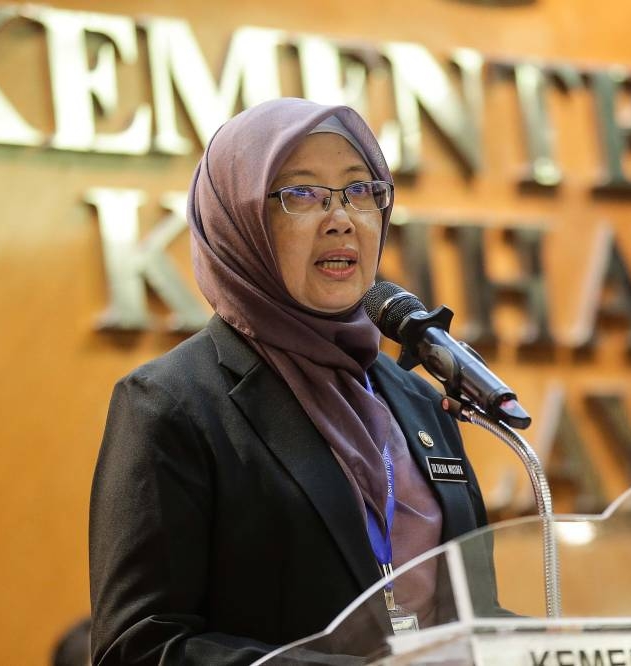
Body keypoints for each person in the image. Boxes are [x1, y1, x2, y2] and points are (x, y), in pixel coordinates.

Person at [88, 98, 491, 665]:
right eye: (301, 193)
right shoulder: (171, 404)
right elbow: (141, 648)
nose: (341, 218)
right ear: (240, 222)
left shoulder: (420, 400)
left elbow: (473, 616)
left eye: (360, 190)